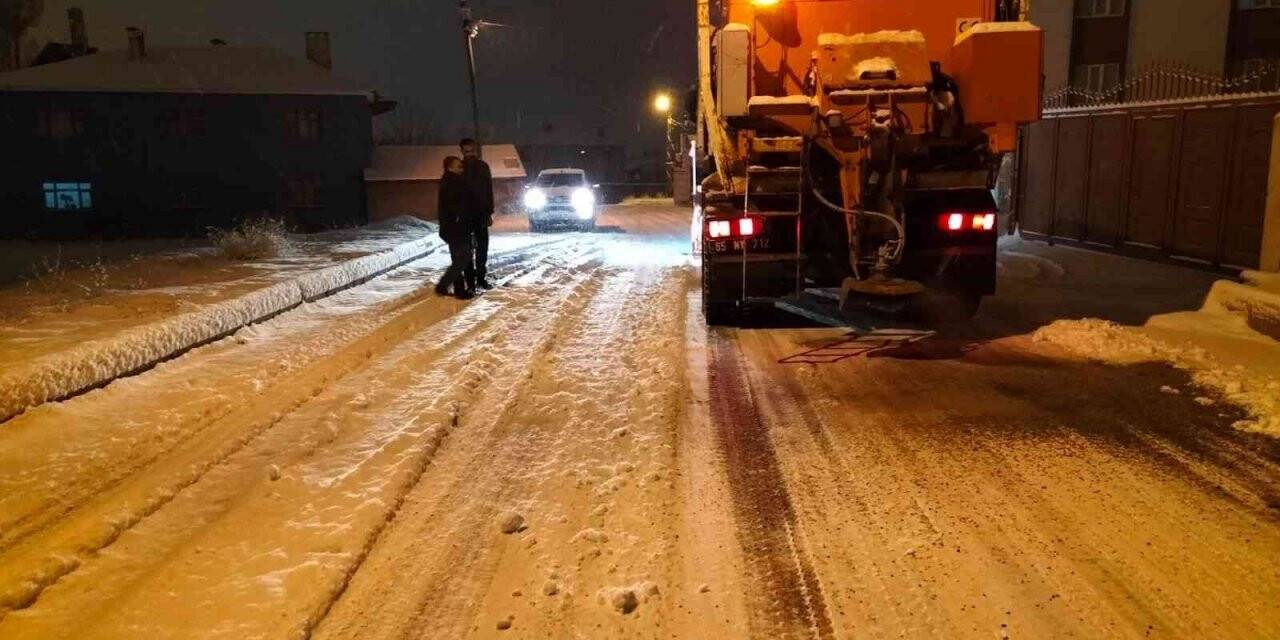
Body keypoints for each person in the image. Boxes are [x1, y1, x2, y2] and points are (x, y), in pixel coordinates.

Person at [435, 156, 476, 299]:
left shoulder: (447, 181)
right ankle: (443, 285)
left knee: (458, 257)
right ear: (450, 167)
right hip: (456, 227)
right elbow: (459, 205)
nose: (461, 169)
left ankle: (459, 289)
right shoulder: (455, 182)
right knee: (464, 257)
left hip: (450, 227)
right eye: (458, 166)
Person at [460, 138, 495, 289]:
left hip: (481, 214)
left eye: (472, 150)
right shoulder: (458, 168)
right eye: (466, 151)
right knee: (466, 250)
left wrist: (489, 212)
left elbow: (488, 190)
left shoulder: (483, 167)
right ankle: (470, 282)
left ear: (476, 150)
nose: (470, 154)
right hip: (464, 215)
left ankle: (481, 278)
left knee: (482, 248)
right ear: (462, 151)